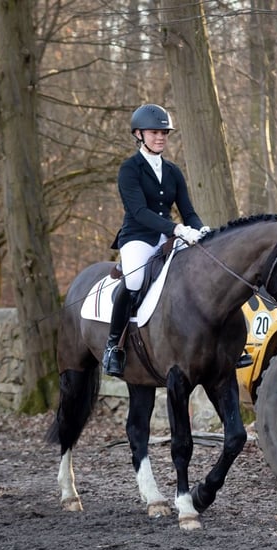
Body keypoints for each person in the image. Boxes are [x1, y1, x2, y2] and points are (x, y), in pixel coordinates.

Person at [102, 103, 210, 378]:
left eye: (164, 133)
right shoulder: (130, 169)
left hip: (169, 235)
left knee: (203, 270)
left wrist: (202, 231)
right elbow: (139, 211)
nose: (161, 137)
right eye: (154, 132)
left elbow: (188, 211)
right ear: (139, 134)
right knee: (135, 280)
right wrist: (178, 229)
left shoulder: (173, 171)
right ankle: (113, 346)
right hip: (138, 237)